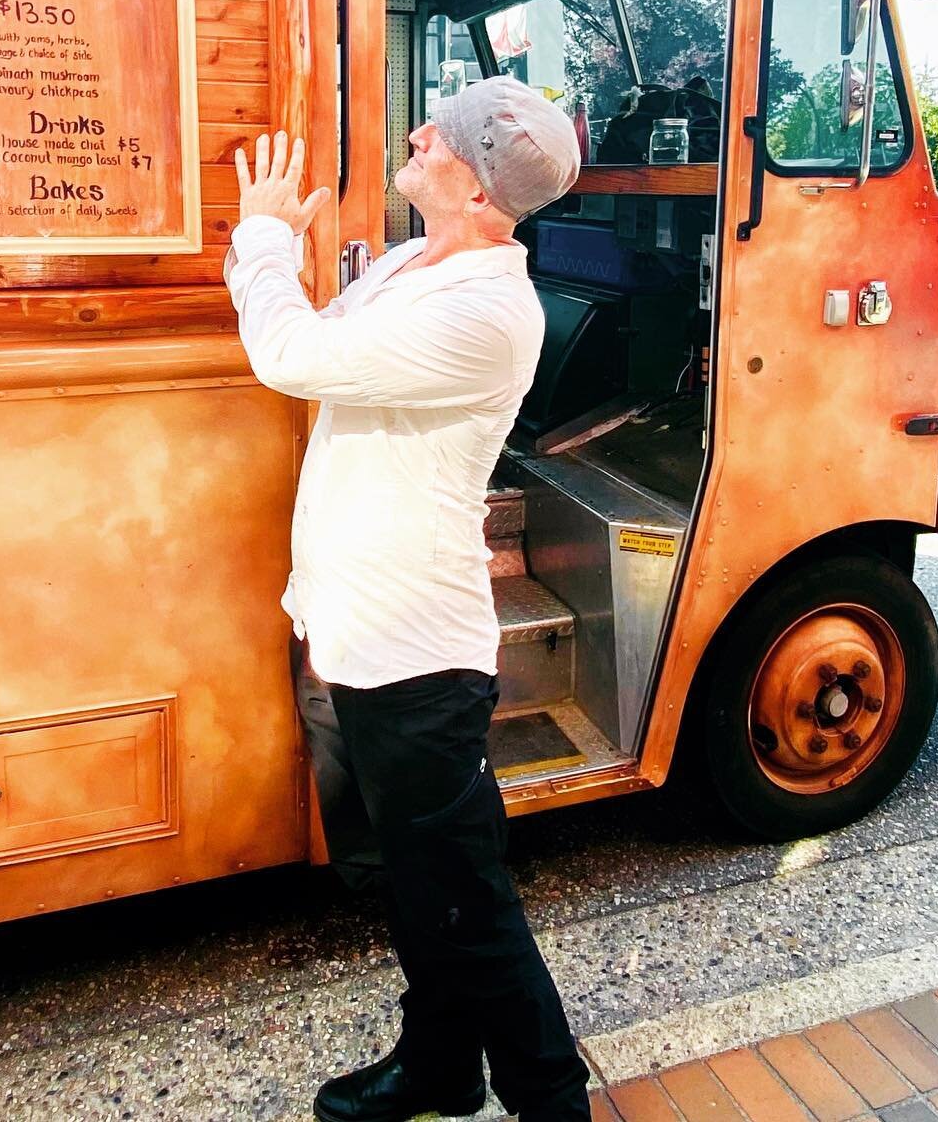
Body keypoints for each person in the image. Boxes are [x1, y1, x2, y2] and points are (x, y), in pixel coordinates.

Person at [226, 77, 591, 1122]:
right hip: (344, 625)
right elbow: (325, 348)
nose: (418, 133)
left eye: (441, 132)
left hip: (415, 657)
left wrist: (260, 244)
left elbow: (290, 356)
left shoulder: (488, 310)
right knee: (409, 884)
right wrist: (281, 256)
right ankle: (438, 1067)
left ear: (474, 186)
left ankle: (553, 1104)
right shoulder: (402, 264)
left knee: (468, 906)